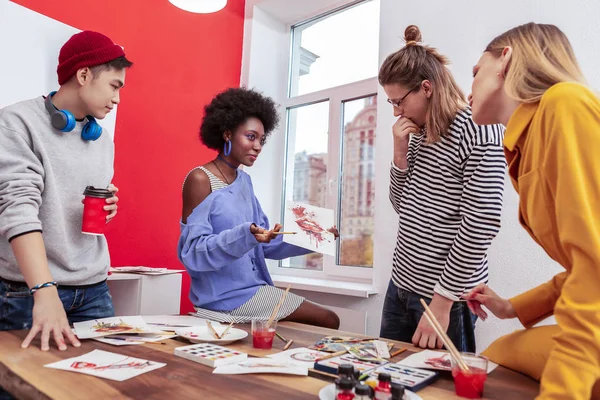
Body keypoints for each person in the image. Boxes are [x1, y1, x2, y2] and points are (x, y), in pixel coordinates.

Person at [465, 22, 600, 399]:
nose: (468, 88)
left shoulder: (565, 103)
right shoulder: (525, 144)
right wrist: (511, 307)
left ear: (505, 58)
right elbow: (583, 267)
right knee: (496, 357)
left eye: (475, 72)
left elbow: (594, 268)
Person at [0, 30, 132, 352]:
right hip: (29, 291)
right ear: (84, 74)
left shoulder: (101, 138)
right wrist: (44, 290)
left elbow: (83, 199)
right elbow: (17, 209)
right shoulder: (17, 122)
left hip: (94, 289)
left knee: (96, 384)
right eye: (114, 86)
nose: (117, 99)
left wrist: (108, 203)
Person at [378, 25, 506, 352]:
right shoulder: (417, 134)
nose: (396, 112)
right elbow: (401, 206)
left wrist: (441, 303)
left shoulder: (478, 128)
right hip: (401, 287)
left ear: (426, 88)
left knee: (444, 390)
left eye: (399, 102)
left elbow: (481, 224)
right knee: (385, 382)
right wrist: (399, 152)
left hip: (445, 300)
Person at [178, 87, 340, 329]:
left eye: (261, 140)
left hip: (255, 289)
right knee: (329, 320)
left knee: (325, 322)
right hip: (224, 298)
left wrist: (315, 233)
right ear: (227, 133)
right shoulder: (200, 179)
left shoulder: (245, 182)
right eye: (251, 136)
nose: (258, 146)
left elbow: (264, 241)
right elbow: (193, 253)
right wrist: (246, 234)